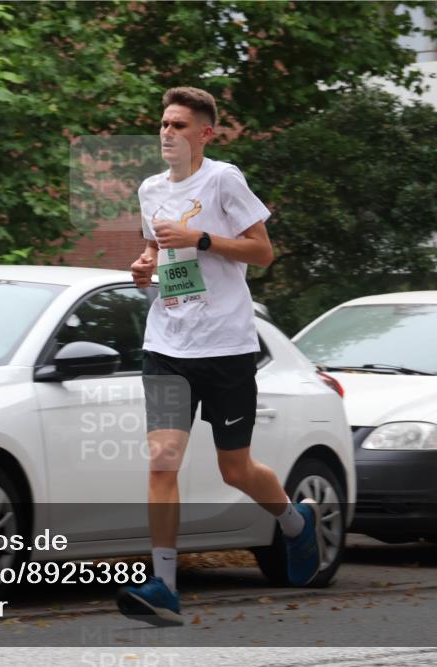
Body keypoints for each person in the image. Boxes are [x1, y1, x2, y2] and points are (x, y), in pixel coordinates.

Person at [116, 87, 321, 627]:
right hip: (166, 345)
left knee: (235, 469)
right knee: (162, 460)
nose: (167, 133)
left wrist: (200, 236)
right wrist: (144, 268)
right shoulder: (150, 189)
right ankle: (164, 585)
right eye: (163, 123)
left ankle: (296, 523)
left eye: (179, 125)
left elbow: (262, 251)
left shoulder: (225, 179)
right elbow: (159, 253)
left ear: (204, 133)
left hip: (226, 346)